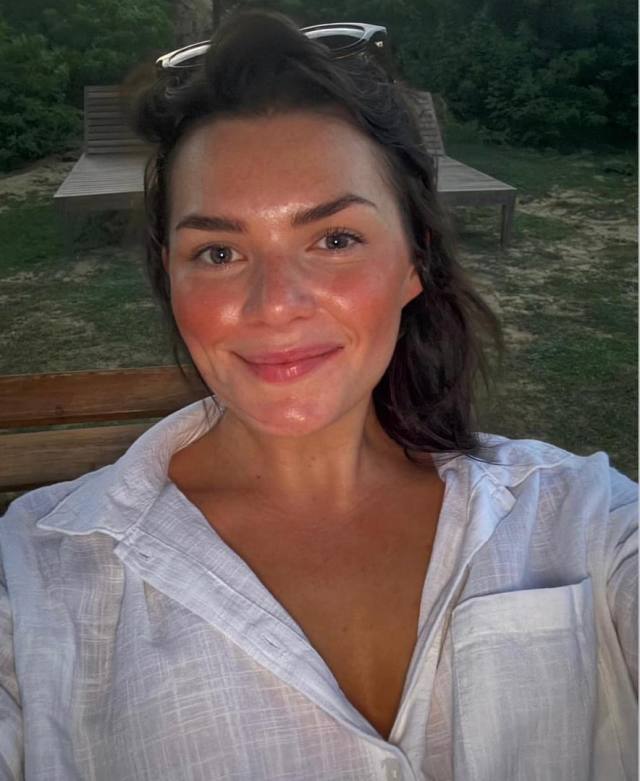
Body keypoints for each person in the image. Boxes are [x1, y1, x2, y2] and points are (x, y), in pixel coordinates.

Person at [0, 9, 636, 781]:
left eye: (335, 240)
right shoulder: (36, 576)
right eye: (219, 251)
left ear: (414, 262)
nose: (276, 303)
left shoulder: (581, 518)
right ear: (170, 276)